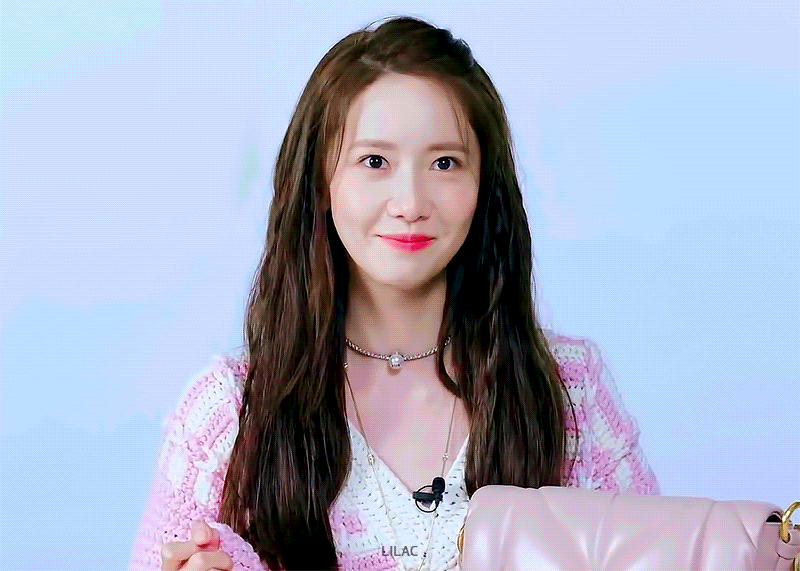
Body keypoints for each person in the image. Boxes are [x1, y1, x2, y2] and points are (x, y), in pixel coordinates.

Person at [127, 15, 659, 571]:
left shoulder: (570, 391)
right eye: (374, 162)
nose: (410, 203)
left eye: (445, 163)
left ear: (484, 186)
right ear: (321, 182)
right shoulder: (227, 413)